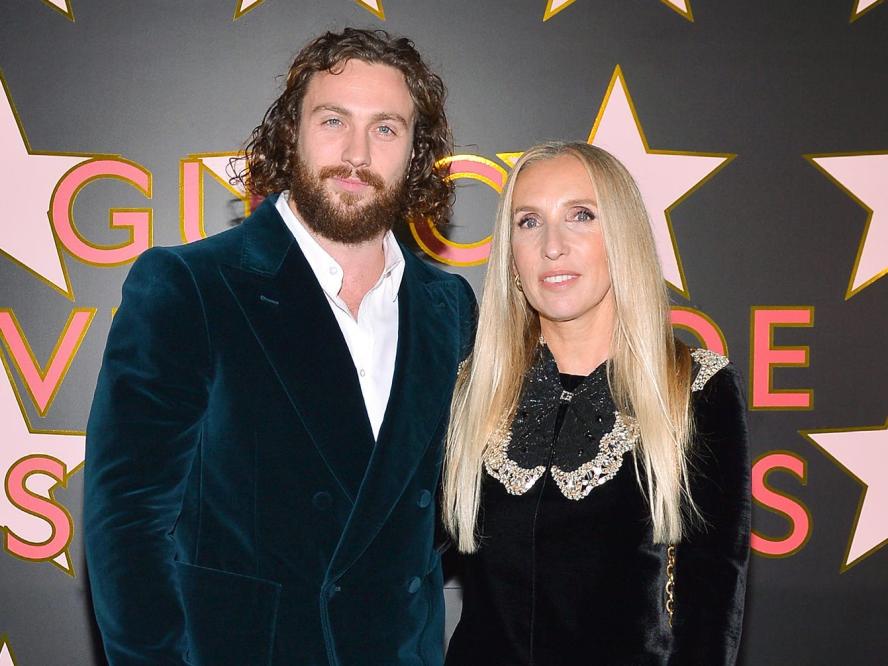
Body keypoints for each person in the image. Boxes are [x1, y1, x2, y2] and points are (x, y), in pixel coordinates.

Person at [84, 28, 475, 666]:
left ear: (415, 150)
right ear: (290, 134)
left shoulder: (448, 307)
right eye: (332, 120)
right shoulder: (192, 286)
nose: (356, 152)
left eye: (386, 128)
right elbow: (126, 524)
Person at [442, 142, 750, 665]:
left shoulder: (692, 388)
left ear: (622, 238)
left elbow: (711, 606)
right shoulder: (473, 389)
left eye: (581, 216)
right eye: (529, 221)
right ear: (511, 254)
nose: (552, 246)